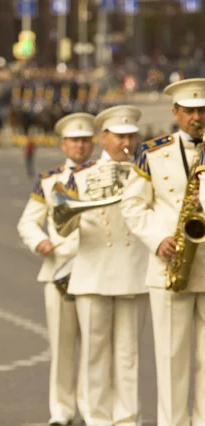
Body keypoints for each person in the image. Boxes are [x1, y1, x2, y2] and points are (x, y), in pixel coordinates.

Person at [121, 78, 205, 426]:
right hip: (171, 264)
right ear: (175, 113)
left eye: (202, 110)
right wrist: (158, 239)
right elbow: (133, 205)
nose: (197, 117)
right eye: (189, 111)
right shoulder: (153, 151)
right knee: (171, 356)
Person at [65, 106, 149, 426]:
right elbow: (64, 224)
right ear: (104, 138)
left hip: (134, 271)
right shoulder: (82, 176)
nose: (126, 142)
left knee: (129, 355)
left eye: (131, 135)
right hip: (93, 271)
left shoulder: (146, 172)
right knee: (95, 354)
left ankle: (127, 419)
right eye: (119, 136)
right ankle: (97, 418)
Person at [17, 113, 94, 426]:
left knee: (94, 346)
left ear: (93, 143)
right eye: (74, 140)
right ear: (63, 144)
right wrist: (40, 242)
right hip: (59, 270)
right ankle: (61, 410)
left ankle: (92, 408)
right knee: (62, 346)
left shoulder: (105, 175)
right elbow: (27, 221)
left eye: (85, 140)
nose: (79, 146)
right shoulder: (49, 179)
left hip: (94, 268)